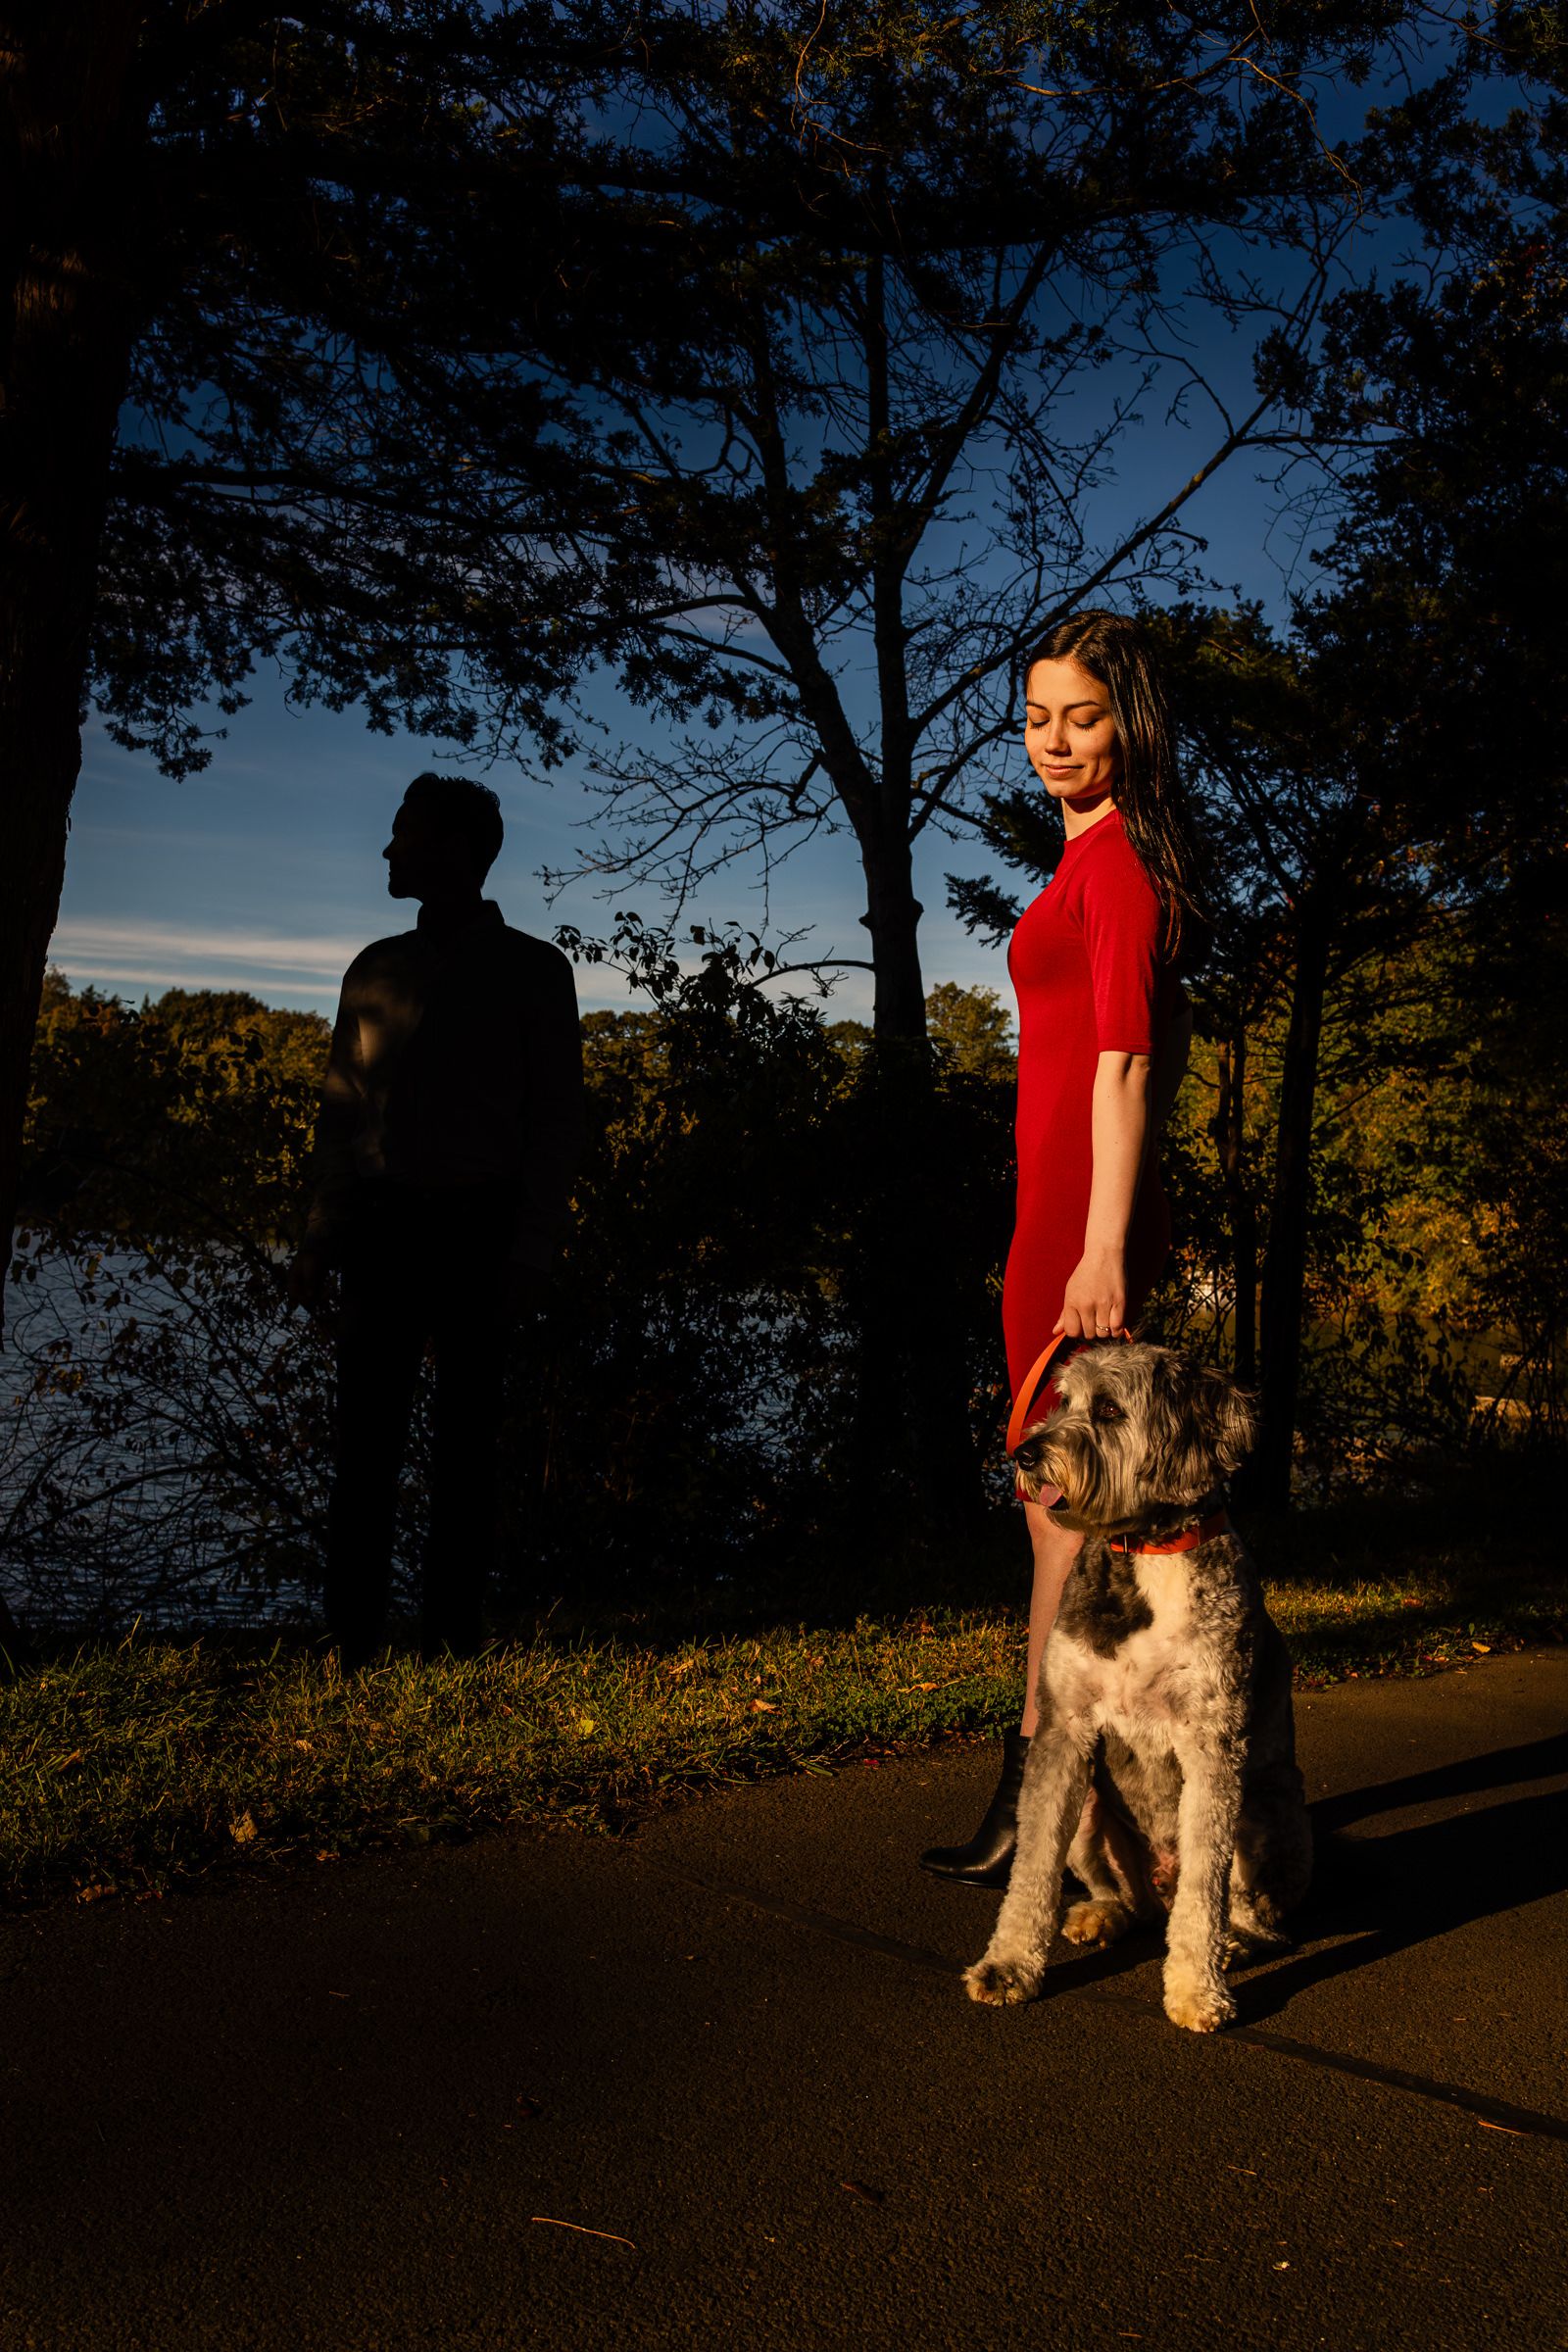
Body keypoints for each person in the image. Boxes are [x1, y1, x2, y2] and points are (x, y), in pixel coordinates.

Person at [921, 612, 1206, 1885]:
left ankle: (1043, 1804)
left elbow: (1128, 1063)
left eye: (1079, 715)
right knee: (1058, 1518)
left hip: (1083, 1232)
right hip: (1053, 1221)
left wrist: (1099, 1250)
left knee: (1063, 1517)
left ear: (1129, 720)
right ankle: (1085, 1814)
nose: (1051, 740)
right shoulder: (1078, 863)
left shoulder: (1121, 872)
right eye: (1035, 716)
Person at [288, 772, 584, 1669]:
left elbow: (555, 1122)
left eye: (403, 835)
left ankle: (451, 1642)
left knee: (466, 1448)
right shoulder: (374, 968)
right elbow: (343, 1112)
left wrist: (530, 1247)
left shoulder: (533, 971)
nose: (387, 850)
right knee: (365, 1447)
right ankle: (351, 1643)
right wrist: (318, 1236)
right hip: (382, 1230)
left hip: (479, 1231)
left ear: (454, 851)